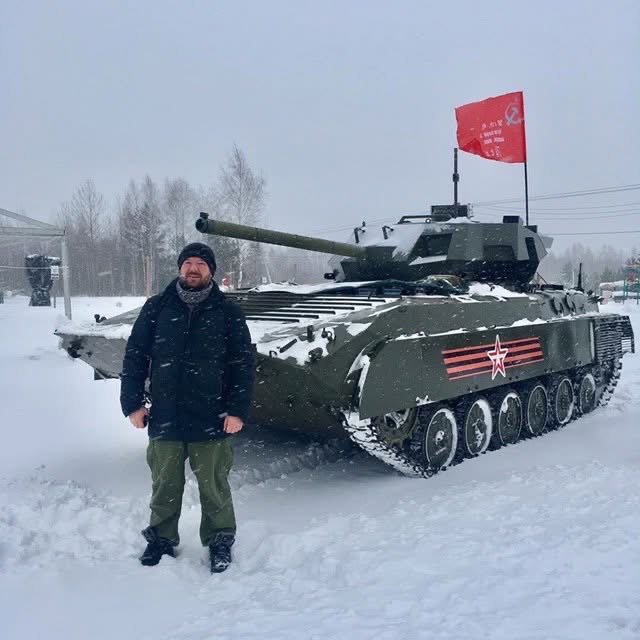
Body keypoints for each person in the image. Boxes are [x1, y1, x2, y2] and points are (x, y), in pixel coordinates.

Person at [120, 242, 254, 573]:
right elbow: (136, 356)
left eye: (200, 264)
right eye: (188, 263)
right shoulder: (157, 308)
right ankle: (161, 539)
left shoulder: (228, 312)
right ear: (180, 268)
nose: (193, 269)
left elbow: (242, 363)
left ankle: (220, 539)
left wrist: (237, 410)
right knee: (164, 484)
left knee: (214, 485)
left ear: (211, 271)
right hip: (165, 414)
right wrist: (133, 404)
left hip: (211, 415)